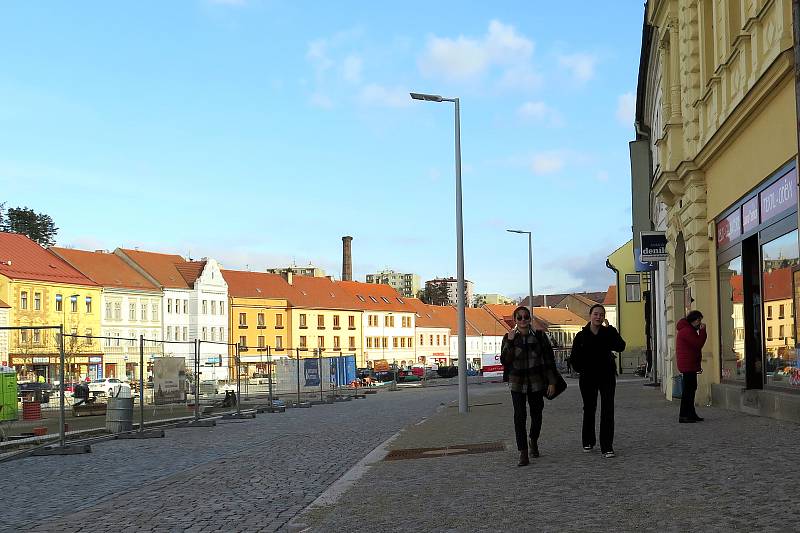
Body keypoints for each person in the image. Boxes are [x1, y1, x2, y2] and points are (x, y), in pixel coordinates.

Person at [500, 305, 558, 467]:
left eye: (526, 317)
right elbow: (505, 360)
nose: (523, 320)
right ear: (515, 320)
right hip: (517, 383)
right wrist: (511, 342)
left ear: (530, 319)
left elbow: (549, 361)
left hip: (537, 382)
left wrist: (552, 382)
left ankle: (533, 439)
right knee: (519, 417)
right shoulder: (508, 337)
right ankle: (523, 452)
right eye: (520, 317)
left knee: (537, 414)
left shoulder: (539, 336)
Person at [570, 304, 626, 459]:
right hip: (588, 377)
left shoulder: (608, 332)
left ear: (604, 317)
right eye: (596, 314)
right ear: (590, 315)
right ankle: (588, 440)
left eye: (601, 314)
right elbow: (574, 358)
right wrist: (582, 369)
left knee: (608, 409)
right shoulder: (581, 336)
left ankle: (607, 446)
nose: (598, 317)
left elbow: (621, 346)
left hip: (607, 376)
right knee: (589, 408)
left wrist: (613, 331)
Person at [676, 310, 707, 423]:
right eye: (699, 320)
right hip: (688, 365)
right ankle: (684, 415)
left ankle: (691, 413)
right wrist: (703, 331)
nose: (700, 323)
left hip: (690, 364)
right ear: (693, 320)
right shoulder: (687, 331)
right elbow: (698, 344)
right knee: (688, 391)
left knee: (691, 389)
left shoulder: (688, 330)